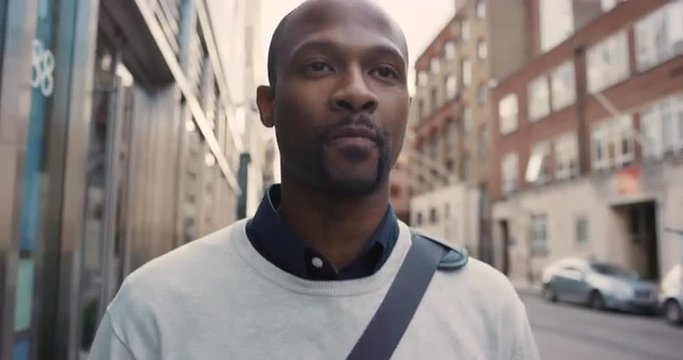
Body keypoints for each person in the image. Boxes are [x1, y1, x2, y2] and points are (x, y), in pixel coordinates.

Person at [89, 0, 540, 358]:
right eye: (320, 66)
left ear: (408, 106)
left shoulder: (488, 310)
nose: (357, 92)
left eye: (384, 72)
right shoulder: (154, 310)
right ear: (268, 104)